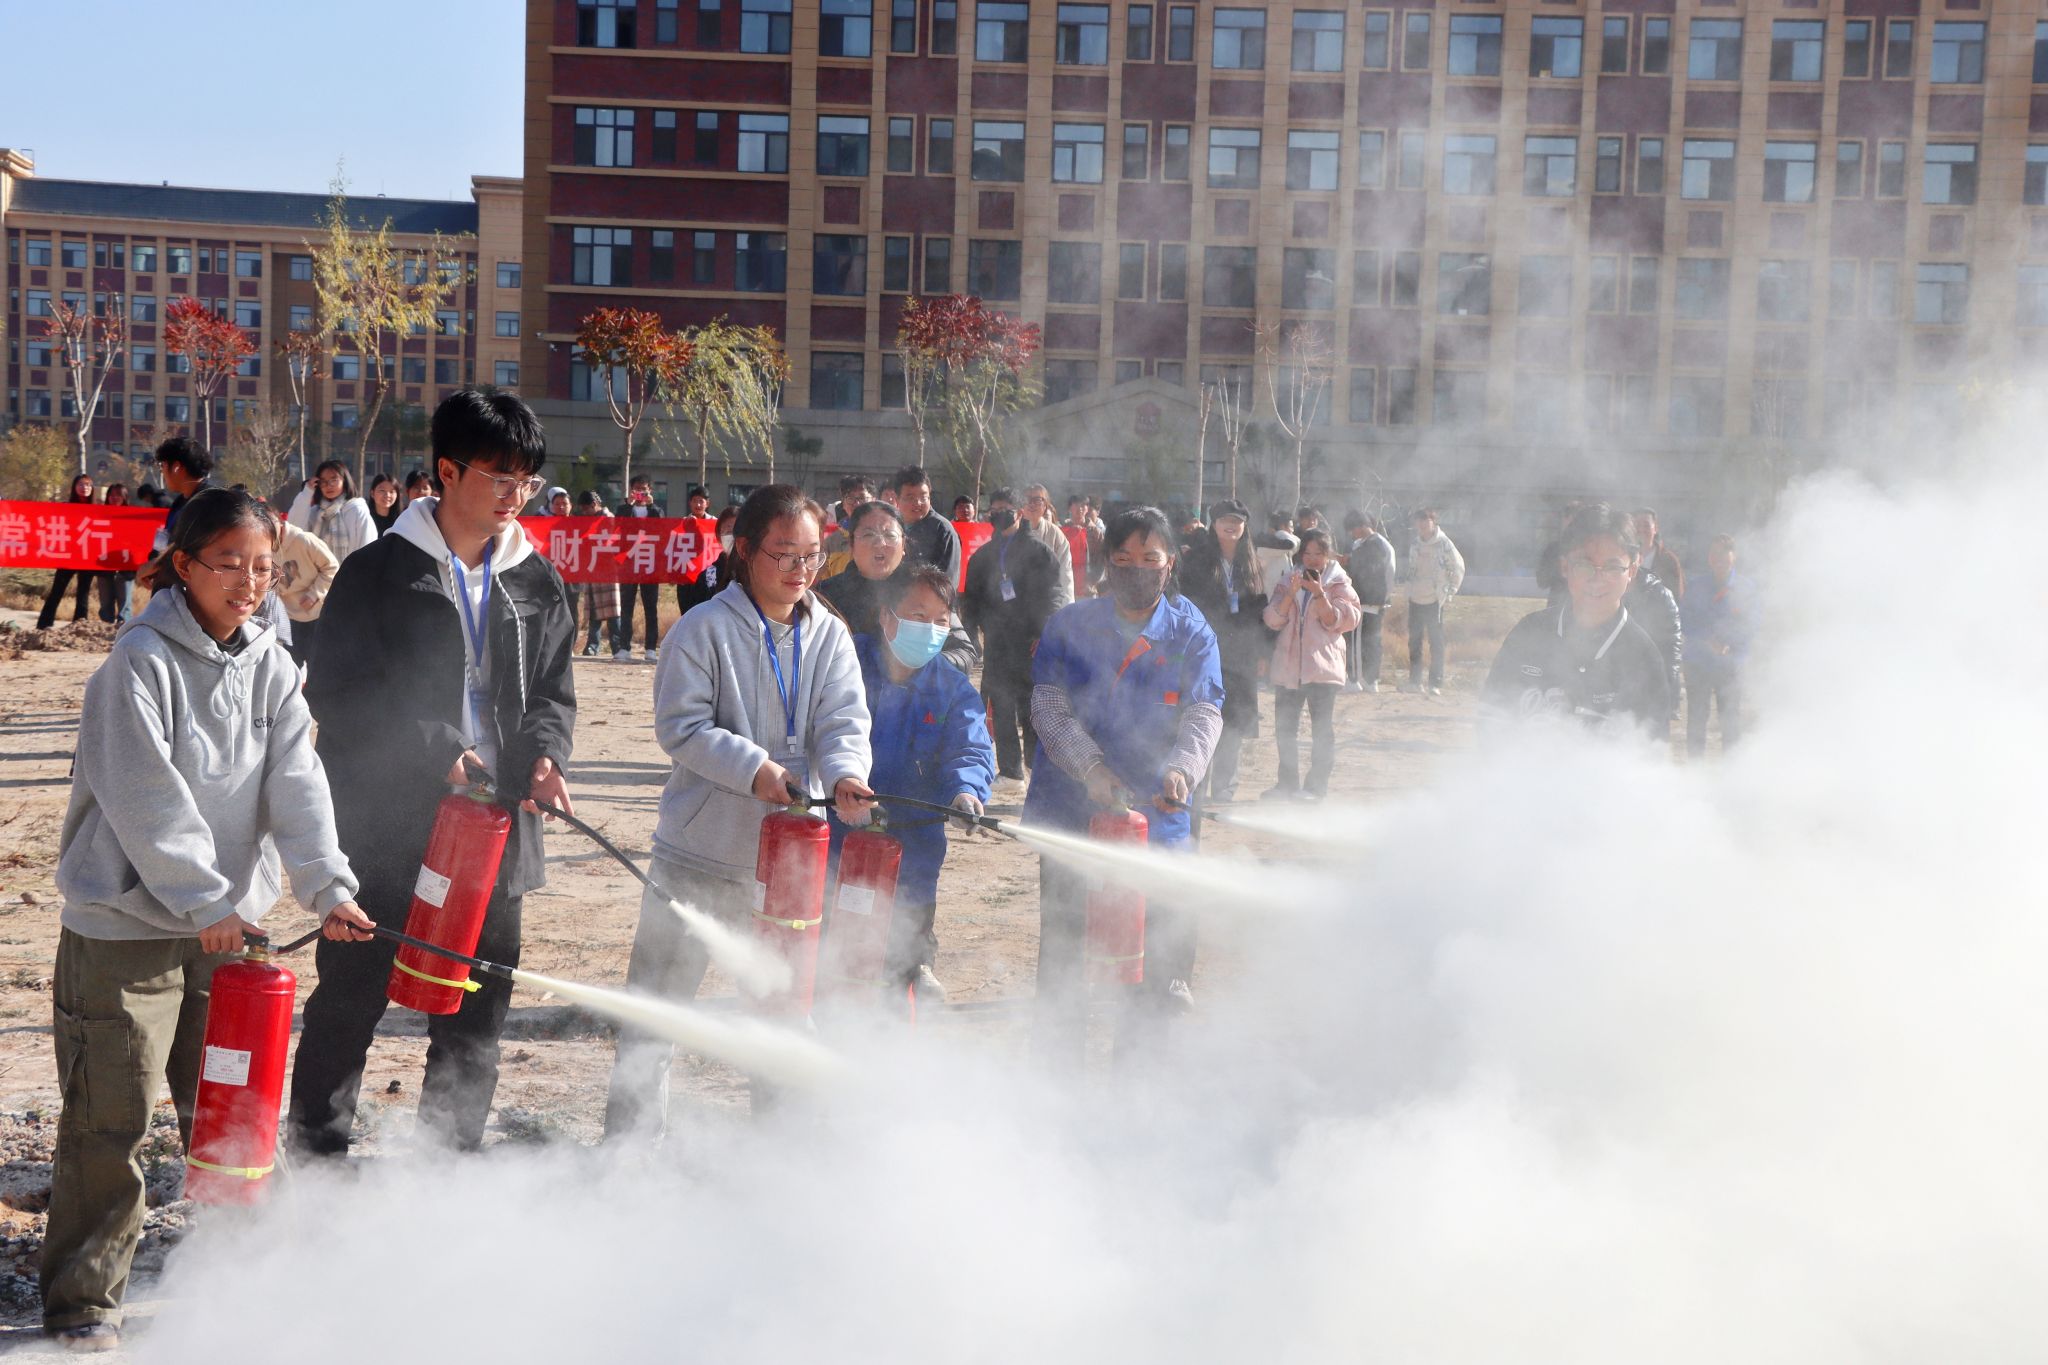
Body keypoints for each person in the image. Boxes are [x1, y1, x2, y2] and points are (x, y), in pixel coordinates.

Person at [42, 489, 372, 1352]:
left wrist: (327, 886)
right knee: (110, 1118)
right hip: (126, 933)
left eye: (264, 566)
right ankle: (84, 1303)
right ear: (184, 565)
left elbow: (297, 782)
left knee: (232, 1113)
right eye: (229, 563)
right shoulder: (135, 665)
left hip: (227, 932)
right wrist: (204, 901)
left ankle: (254, 1282)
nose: (250, 582)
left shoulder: (272, 664)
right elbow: (145, 799)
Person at [287, 390, 576, 1158]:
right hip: (389, 819)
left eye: (527, 480)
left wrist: (546, 755)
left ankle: (445, 1164)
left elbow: (553, 691)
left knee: (478, 1003)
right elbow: (338, 689)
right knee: (353, 992)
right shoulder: (378, 571)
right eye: (499, 477)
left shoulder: (535, 580)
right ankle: (317, 1160)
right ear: (447, 472)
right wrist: (435, 748)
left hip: (497, 825)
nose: (515, 495)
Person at [604, 485, 873, 1140]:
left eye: (811, 555)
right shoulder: (702, 629)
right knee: (657, 1011)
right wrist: (758, 771)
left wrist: (845, 774)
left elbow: (844, 719)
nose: (800, 569)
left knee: (783, 1015)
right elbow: (682, 727)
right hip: (697, 857)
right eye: (784, 553)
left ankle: (782, 1153)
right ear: (745, 550)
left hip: (788, 868)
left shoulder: (830, 635)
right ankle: (628, 1152)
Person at [1025, 506, 1224, 1064]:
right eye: (1123, 558)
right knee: (1065, 953)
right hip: (1071, 815)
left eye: (1149, 558)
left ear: (1170, 563)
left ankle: (1136, 1085)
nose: (1137, 569)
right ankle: (1056, 1078)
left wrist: (1182, 769)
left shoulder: (1191, 632)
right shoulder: (1070, 626)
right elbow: (1048, 706)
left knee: (1150, 963)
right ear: (1107, 564)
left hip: (1156, 820)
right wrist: (1090, 768)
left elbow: (1204, 712)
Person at [831, 565, 995, 1009]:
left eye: (941, 621)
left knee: (905, 945)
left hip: (915, 848)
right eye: (919, 617)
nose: (931, 630)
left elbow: (971, 747)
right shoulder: (845, 663)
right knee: (838, 951)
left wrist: (966, 792)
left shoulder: (951, 688)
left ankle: (914, 980)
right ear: (887, 617)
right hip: (839, 838)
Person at [1481, 502, 1671, 737]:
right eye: (1584, 565)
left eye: (1612, 567)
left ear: (1631, 571)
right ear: (1565, 567)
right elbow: (1490, 719)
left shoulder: (1643, 657)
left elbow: (1651, 749)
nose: (1597, 578)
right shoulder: (1529, 634)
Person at [960, 488, 1061, 782]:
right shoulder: (982, 556)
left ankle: (1034, 765)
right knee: (1001, 704)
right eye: (993, 509)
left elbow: (1053, 596)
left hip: (1030, 643)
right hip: (996, 641)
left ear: (1019, 512)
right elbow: (971, 600)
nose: (997, 514)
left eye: (1004, 509)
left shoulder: (1040, 552)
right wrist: (972, 634)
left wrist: (1045, 633)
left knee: (1031, 706)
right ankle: (1010, 769)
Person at [1262, 529, 1362, 803]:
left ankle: (1316, 788)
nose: (1312, 559)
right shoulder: (1288, 579)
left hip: (1322, 668)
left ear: (1328, 555)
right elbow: (1272, 619)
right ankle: (1287, 784)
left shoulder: (1338, 582)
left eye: (1319, 553)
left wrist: (1319, 594)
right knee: (1285, 728)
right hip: (1288, 665)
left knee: (1321, 730)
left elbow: (1344, 621)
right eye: (1307, 553)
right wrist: (1290, 594)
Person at [817, 501, 976, 672]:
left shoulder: (925, 588)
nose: (880, 543)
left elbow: (964, 651)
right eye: (868, 535)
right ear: (851, 544)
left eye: (890, 535)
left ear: (903, 544)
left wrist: (921, 665)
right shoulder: (826, 596)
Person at [1178, 498, 1266, 803]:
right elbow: (1186, 604)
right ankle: (1197, 787)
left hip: (1241, 654)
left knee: (1234, 721)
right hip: (1205, 650)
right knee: (1202, 714)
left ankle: (1224, 791)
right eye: (1224, 520)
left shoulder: (1252, 563)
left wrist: (1262, 653)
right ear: (1213, 525)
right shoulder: (1196, 560)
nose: (1231, 525)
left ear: (1245, 527)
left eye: (1237, 521)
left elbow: (1259, 613)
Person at [1680, 534, 1753, 756]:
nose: (1718, 558)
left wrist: (1729, 644)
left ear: (1734, 556)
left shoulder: (1746, 588)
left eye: (1724, 553)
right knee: (1696, 720)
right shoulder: (1695, 585)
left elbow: (1751, 624)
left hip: (1730, 665)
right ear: (1708, 558)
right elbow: (1684, 618)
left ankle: (1732, 771)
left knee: (1730, 722)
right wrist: (1705, 638)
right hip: (1698, 663)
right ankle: (1694, 770)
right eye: (1714, 554)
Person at [1398, 507, 1464, 695]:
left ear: (1433, 522)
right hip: (1415, 598)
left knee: (1436, 642)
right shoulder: (1415, 544)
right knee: (1414, 641)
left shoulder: (1444, 544)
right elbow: (1411, 570)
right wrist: (1408, 591)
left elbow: (1458, 567)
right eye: (1418, 521)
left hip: (1435, 600)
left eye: (1425, 520)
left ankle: (1435, 683)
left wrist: (1450, 591)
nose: (1422, 524)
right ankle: (1414, 682)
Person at [271, 504, 342, 669]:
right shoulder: (264, 547)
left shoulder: (304, 540)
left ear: (280, 521)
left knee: (319, 668)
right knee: (289, 669)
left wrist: (314, 594)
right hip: (288, 618)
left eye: (271, 522)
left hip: (317, 614)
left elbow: (332, 567)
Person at [35, 475, 99, 632]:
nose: (84, 488)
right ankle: (44, 625)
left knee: (83, 592)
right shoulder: (65, 506)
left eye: (88, 485)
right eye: (81, 484)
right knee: (57, 590)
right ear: (74, 487)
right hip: (67, 556)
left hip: (87, 557)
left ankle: (79, 626)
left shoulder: (99, 509)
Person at [1342, 511, 1395, 692]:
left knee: (1358, 642)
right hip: (1375, 600)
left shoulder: (1376, 546)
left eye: (1352, 529)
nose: (1351, 534)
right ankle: (1371, 680)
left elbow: (1370, 571)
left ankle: (1355, 680)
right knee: (1371, 641)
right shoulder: (1366, 544)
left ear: (1362, 526)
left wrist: (1347, 562)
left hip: (1367, 600)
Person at [288, 460, 379, 564]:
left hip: (350, 572)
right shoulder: (315, 512)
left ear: (345, 481)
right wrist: (307, 492)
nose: (328, 485)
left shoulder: (356, 510)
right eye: (323, 481)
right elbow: (294, 529)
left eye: (334, 480)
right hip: (318, 572)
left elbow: (368, 545)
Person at [574, 489, 624, 657]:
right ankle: (592, 646)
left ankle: (617, 646)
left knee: (613, 612)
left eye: (586, 509)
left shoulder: (609, 519)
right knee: (594, 611)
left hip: (608, 569)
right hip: (592, 568)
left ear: (594, 505)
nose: (584, 513)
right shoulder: (588, 521)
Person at [620, 474, 662, 662]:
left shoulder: (656, 510)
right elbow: (618, 525)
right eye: (637, 489)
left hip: (649, 563)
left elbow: (662, 527)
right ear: (631, 490)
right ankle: (624, 647)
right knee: (626, 606)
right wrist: (629, 505)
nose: (640, 493)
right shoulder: (624, 509)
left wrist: (651, 506)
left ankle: (650, 648)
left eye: (644, 489)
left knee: (650, 607)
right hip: (629, 562)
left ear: (650, 490)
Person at [893, 465, 960, 583]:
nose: (918, 503)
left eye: (923, 497)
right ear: (897, 499)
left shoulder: (943, 530)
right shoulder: (891, 526)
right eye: (910, 497)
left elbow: (947, 581)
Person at [1019, 483, 1076, 608]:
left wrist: (1067, 609)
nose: (1031, 504)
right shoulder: (1012, 530)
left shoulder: (1055, 535)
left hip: (1047, 601)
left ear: (1045, 506)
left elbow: (1065, 574)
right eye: (1027, 499)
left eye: (1037, 500)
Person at [675, 486, 725, 618]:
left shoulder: (715, 523)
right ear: (690, 503)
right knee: (686, 613)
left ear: (707, 503)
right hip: (687, 575)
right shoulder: (681, 523)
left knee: (706, 612)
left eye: (701, 501)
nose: (698, 505)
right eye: (694, 501)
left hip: (708, 575)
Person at [94, 484, 139, 627]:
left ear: (124, 497)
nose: (114, 498)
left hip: (126, 566)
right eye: (111, 495)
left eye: (118, 495)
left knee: (124, 603)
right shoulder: (100, 515)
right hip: (104, 564)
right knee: (105, 602)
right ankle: (105, 628)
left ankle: (124, 628)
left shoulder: (133, 517)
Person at [821, 473, 873, 578]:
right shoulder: (832, 541)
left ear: (873, 500)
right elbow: (823, 579)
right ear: (843, 504)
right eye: (850, 498)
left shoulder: (884, 536)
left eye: (862, 498)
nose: (857, 503)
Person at [1633, 507, 1685, 602]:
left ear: (1655, 528)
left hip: (1658, 609)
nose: (1641, 529)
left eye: (1646, 525)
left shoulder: (1668, 560)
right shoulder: (1624, 557)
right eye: (1637, 525)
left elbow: (1677, 596)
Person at [1253, 510, 1299, 602]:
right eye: (1291, 527)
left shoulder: (1281, 547)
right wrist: (1281, 533)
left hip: (1282, 598)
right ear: (1282, 527)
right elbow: (1292, 544)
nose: (1293, 530)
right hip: (1270, 599)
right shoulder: (1268, 545)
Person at [1064, 492, 1104, 596]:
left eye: (1083, 505)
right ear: (1069, 508)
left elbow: (1101, 560)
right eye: (1076, 505)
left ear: (1087, 509)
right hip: (1067, 587)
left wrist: (1092, 582)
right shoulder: (1062, 531)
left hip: (1088, 589)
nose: (1080, 508)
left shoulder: (1095, 532)